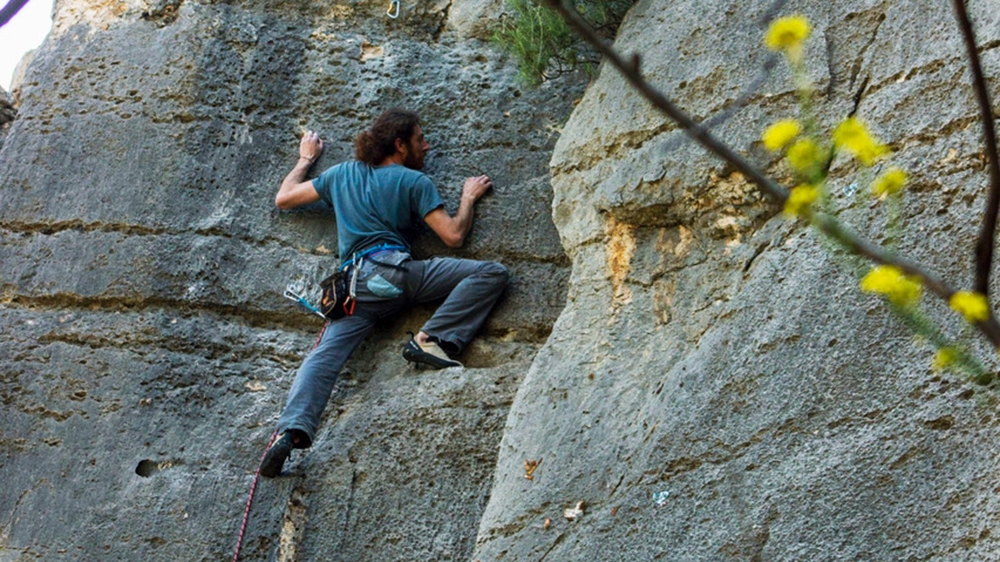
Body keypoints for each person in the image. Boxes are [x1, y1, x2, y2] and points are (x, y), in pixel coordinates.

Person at [260, 108, 509, 477]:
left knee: (324, 357)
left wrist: (305, 159)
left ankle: (292, 430)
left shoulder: (341, 174)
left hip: (354, 290)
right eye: (419, 139)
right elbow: (453, 236)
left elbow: (284, 197)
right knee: (492, 273)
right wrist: (468, 198)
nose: (426, 146)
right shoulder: (414, 182)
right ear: (399, 144)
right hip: (397, 275)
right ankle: (431, 338)